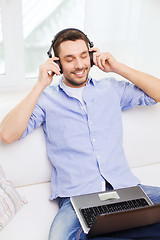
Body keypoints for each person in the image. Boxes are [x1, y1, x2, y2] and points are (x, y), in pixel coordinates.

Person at [0, 28, 160, 240]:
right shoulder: (46, 99)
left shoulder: (111, 89)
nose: (79, 65)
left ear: (92, 56)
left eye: (84, 56)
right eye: (70, 59)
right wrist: (40, 84)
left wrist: (117, 67)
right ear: (57, 63)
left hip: (126, 188)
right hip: (78, 199)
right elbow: (7, 134)